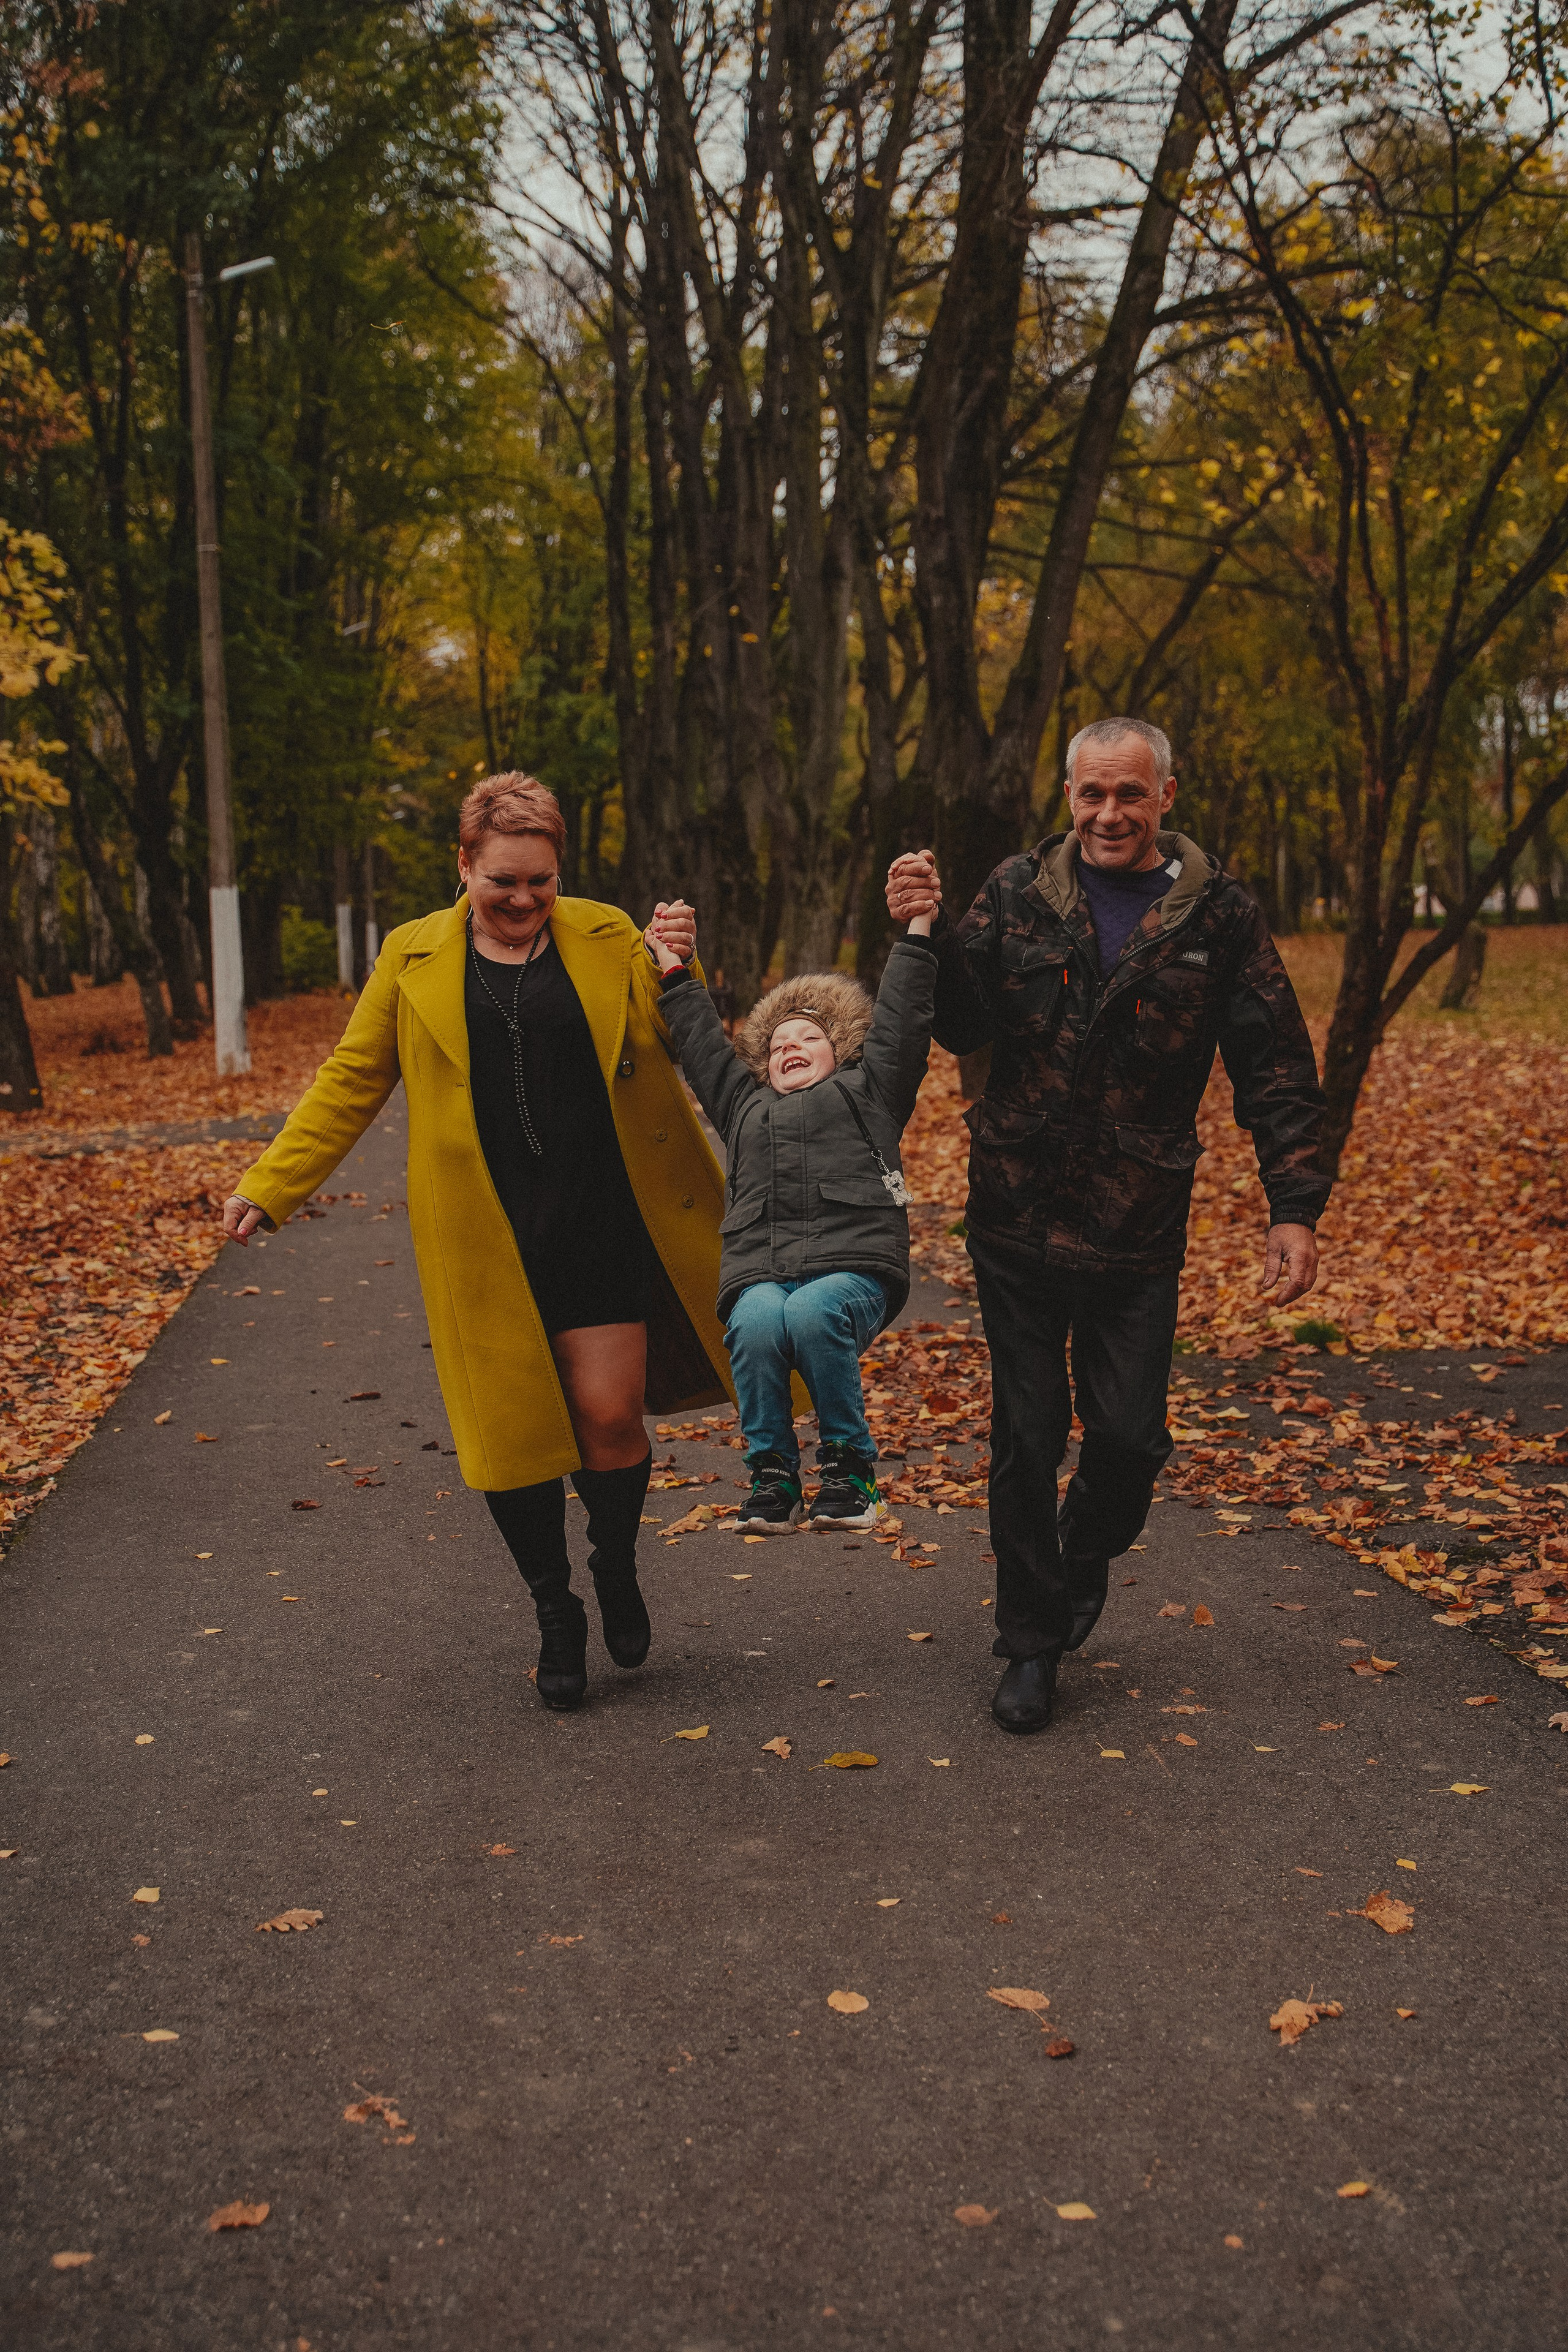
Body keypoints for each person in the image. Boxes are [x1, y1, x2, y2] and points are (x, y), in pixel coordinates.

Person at [221, 774, 732, 1714]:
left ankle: (614, 1564)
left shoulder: (607, 933)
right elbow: (352, 1076)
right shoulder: (412, 955)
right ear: (464, 865)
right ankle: (554, 1609)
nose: (525, 898)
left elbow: (674, 1034)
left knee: (611, 1416)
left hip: (599, 1217)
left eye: (541, 880)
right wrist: (272, 1183)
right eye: (504, 880)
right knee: (514, 1438)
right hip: (486, 1235)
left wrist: (680, 965)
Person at [885, 717, 1329, 1735]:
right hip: (1016, 1213)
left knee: (1128, 1439)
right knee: (1028, 1434)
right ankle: (1030, 1644)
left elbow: (1274, 1063)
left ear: (1166, 795)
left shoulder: (1220, 915)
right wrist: (924, 930)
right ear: (1070, 796)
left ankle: (1079, 1556)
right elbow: (960, 1024)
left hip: (1138, 1222)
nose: (1110, 814)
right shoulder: (1016, 890)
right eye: (1093, 793)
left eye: (1131, 794)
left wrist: (1294, 1207)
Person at [647, 905, 937, 1532]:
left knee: (811, 1311)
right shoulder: (743, 1106)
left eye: (807, 1038)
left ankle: (850, 1472)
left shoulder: (872, 1090)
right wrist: (674, 968)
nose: (790, 1049)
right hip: (764, 1273)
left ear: (842, 1048)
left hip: (853, 1270)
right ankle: (773, 1475)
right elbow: (701, 1046)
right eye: (778, 1045)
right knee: (754, 1323)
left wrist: (917, 929)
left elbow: (903, 1020)